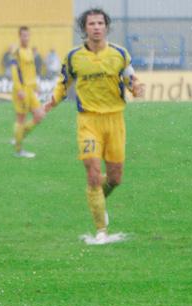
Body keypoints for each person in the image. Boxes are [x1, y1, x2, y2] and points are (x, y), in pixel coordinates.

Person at [44, 8, 145, 244]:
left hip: (115, 120)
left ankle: (97, 197)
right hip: (88, 121)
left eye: (100, 23)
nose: (96, 27)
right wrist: (52, 101)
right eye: (92, 23)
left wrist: (137, 88)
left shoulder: (119, 54)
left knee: (115, 178)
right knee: (92, 173)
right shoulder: (73, 57)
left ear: (106, 27)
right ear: (85, 28)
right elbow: (63, 83)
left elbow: (131, 79)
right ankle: (101, 230)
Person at [10, 26, 46, 158]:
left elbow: (31, 70)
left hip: (31, 89)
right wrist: (19, 90)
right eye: (24, 35)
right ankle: (19, 150)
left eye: (28, 35)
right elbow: (15, 72)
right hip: (22, 90)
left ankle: (18, 136)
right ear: (19, 37)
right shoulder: (16, 52)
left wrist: (36, 85)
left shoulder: (30, 51)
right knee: (21, 119)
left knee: (40, 115)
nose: (26, 38)